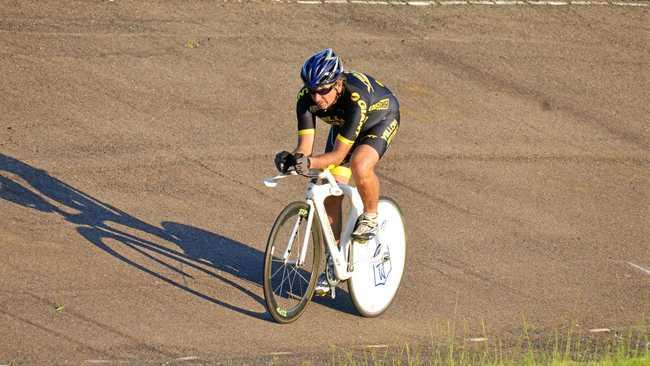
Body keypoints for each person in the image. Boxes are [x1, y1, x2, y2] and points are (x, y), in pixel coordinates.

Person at [274, 48, 400, 294]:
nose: (317, 98)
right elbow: (305, 149)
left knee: (360, 164)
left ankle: (371, 216)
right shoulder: (305, 99)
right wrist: (293, 160)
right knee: (329, 192)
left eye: (323, 91)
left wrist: (310, 163)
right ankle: (335, 260)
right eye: (312, 91)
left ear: (338, 84)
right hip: (345, 128)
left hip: (379, 118)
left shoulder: (355, 98)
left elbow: (339, 156)